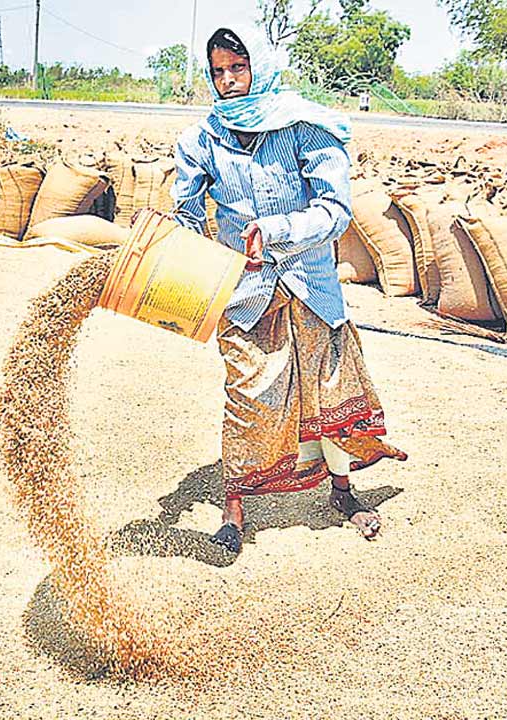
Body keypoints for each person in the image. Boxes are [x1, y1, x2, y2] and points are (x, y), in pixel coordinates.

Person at [172, 26, 407, 554]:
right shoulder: (202, 139)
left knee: (328, 391)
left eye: (238, 68)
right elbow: (186, 209)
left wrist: (276, 229)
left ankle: (342, 492)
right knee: (247, 394)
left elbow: (334, 211)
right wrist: (179, 240)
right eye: (218, 72)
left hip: (309, 283)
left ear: (259, 67)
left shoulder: (305, 127)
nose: (228, 81)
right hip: (246, 289)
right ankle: (234, 506)